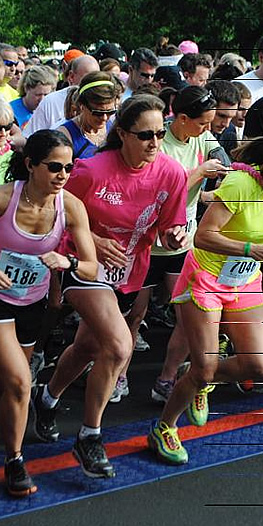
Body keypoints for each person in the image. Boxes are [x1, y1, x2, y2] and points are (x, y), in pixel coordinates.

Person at [31, 93, 188, 479]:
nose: (154, 142)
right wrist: (93, 241)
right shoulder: (91, 170)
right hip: (81, 265)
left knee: (88, 345)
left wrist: (174, 237)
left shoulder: (171, 173)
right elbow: (55, 215)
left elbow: (169, 226)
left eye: (160, 133)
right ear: (123, 134)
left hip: (128, 271)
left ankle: (47, 396)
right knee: (120, 344)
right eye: (145, 135)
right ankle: (89, 436)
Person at [0, 130, 98, 497]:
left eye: (68, 167)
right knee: (19, 381)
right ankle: (14, 460)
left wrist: (68, 260)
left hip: (32, 303)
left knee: (1, 380)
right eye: (55, 167)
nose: (63, 175)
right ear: (31, 165)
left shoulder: (71, 206)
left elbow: (91, 267)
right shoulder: (1, 198)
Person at [148, 136, 263, 465]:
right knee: (206, 368)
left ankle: (197, 373)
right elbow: (203, 235)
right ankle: (164, 427)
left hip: (244, 280)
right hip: (206, 279)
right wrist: (252, 250)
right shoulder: (242, 183)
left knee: (258, 366)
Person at [110, 86, 229, 403]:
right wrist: (200, 172)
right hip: (149, 242)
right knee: (135, 314)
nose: (208, 129)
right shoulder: (157, 142)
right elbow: (158, 187)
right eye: (203, 123)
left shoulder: (202, 137)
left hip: (182, 241)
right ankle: (118, 375)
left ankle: (167, 378)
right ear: (183, 118)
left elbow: (225, 162)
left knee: (189, 316)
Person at [24, 55, 100, 137]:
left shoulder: (105, 103)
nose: (93, 84)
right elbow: (32, 137)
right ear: (71, 76)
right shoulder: (51, 101)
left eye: (98, 79)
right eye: (89, 79)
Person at [57, 71, 121, 158]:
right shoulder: (65, 136)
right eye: (98, 113)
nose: (104, 118)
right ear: (82, 106)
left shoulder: (114, 128)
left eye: (110, 112)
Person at [11, 65, 56, 131]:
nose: (42, 99)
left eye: (46, 95)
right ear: (26, 88)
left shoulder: (51, 110)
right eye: (38, 95)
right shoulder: (11, 111)